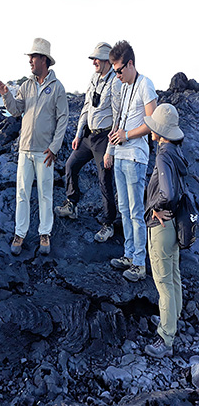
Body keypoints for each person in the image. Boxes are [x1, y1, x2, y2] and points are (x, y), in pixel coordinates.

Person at [0, 38, 68, 256]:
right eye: (30, 57)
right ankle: (20, 233)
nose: (30, 61)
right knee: (22, 193)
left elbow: (63, 118)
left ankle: (45, 234)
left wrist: (54, 147)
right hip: (25, 150)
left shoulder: (57, 88)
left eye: (33, 57)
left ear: (44, 60)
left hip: (45, 152)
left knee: (46, 194)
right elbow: (16, 110)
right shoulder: (26, 85)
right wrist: (6, 94)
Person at [54, 42, 121, 242]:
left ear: (107, 61)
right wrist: (77, 134)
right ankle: (71, 204)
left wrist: (111, 149)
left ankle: (108, 224)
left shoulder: (115, 82)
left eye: (97, 59)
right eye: (93, 59)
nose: (94, 62)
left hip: (105, 137)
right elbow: (86, 107)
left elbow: (118, 116)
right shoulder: (93, 78)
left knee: (104, 179)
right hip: (88, 136)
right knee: (70, 165)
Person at [108, 40, 157, 282]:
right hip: (120, 155)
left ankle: (139, 263)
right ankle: (129, 254)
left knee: (137, 212)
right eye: (113, 71)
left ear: (130, 64)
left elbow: (152, 122)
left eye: (118, 70)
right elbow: (122, 118)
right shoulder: (125, 86)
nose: (116, 75)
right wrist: (113, 141)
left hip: (136, 158)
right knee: (125, 210)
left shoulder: (145, 85)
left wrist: (126, 135)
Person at [143, 103, 186, 358]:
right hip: (175, 224)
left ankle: (165, 337)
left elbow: (167, 193)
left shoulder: (162, 155)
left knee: (163, 283)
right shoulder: (177, 153)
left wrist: (156, 207)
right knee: (174, 275)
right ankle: (173, 320)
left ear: (160, 131)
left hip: (161, 225)